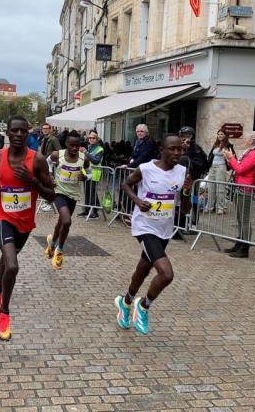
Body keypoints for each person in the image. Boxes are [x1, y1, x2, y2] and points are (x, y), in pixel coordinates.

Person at [0, 115, 55, 341]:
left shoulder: (38, 161)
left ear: (28, 133)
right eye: (13, 131)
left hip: (25, 221)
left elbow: (51, 194)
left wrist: (32, 181)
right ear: (8, 133)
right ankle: (4, 313)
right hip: (2, 215)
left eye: (22, 131)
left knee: (7, 260)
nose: (17, 135)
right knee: (13, 265)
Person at [114, 134, 186, 335]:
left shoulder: (182, 172)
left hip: (164, 229)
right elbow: (126, 184)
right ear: (162, 150)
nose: (176, 153)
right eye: (172, 149)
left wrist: (187, 193)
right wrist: (137, 201)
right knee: (166, 274)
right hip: (145, 227)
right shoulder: (146, 169)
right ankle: (143, 306)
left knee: (143, 269)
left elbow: (185, 207)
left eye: (179, 149)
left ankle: (125, 302)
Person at [45, 130, 90, 269]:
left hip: (73, 194)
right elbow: (47, 163)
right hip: (59, 191)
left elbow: (90, 173)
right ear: (66, 144)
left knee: (62, 223)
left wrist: (85, 177)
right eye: (72, 145)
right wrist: (51, 176)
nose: (75, 148)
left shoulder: (84, 159)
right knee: (67, 220)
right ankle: (60, 250)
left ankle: (52, 244)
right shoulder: (57, 155)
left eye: (77, 145)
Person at [222, 132, 255, 258]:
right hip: (241, 186)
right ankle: (240, 243)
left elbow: (241, 169)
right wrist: (230, 159)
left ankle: (244, 248)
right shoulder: (251, 152)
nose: (245, 139)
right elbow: (238, 167)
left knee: (244, 219)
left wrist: (230, 158)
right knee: (240, 218)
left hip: (246, 188)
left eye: (247, 138)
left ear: (252, 140)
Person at [206, 129, 235, 214]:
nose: (220, 136)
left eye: (222, 134)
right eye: (218, 134)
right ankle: (210, 207)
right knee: (211, 187)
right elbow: (210, 156)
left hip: (221, 167)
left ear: (225, 135)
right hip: (212, 167)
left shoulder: (228, 145)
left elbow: (232, 157)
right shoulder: (215, 144)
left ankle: (220, 208)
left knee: (220, 188)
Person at [78, 130, 105, 218]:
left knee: (92, 193)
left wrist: (86, 152)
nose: (91, 139)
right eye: (89, 138)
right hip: (87, 173)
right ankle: (87, 210)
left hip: (95, 173)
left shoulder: (100, 149)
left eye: (93, 138)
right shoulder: (90, 147)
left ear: (97, 139)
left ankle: (94, 212)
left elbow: (96, 161)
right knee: (87, 193)